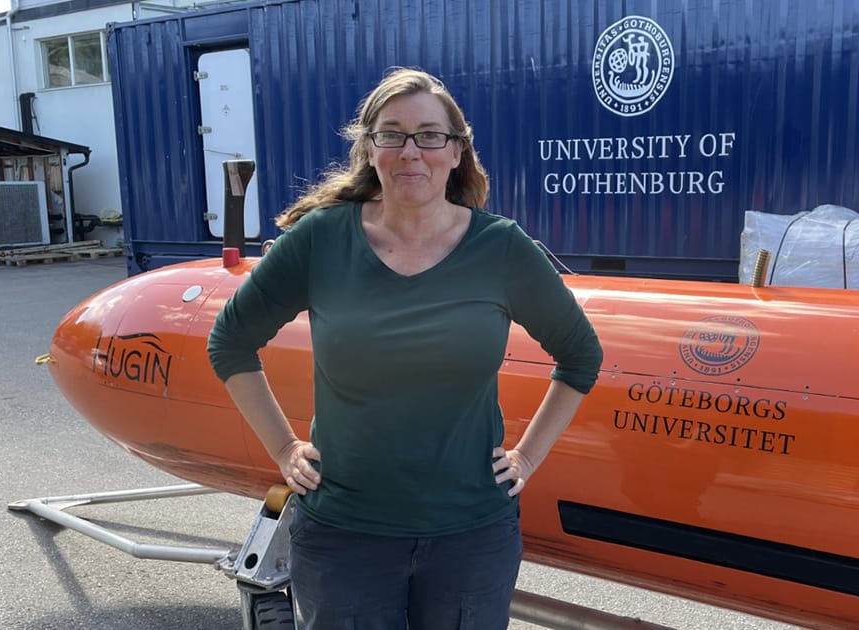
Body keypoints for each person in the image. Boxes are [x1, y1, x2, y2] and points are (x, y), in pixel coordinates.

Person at [207, 67, 603, 630]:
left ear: (456, 151)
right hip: (344, 535)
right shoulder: (321, 239)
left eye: (429, 135)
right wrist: (284, 448)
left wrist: (528, 457)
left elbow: (581, 356)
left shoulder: (502, 248)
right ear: (370, 149)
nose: (410, 151)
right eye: (391, 134)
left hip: (471, 537)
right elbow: (230, 341)